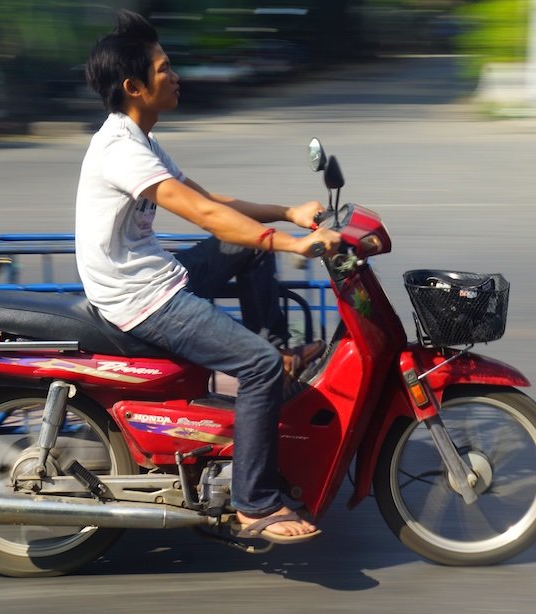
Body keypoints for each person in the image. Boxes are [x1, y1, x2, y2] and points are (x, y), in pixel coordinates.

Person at [76, 10, 340, 544]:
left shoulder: (139, 139)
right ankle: (255, 504)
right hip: (141, 299)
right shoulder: (121, 151)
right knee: (259, 367)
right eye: (164, 68)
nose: (175, 76)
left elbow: (209, 199)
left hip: (154, 275)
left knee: (245, 252)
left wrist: (286, 211)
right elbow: (201, 215)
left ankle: (277, 349)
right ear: (134, 86)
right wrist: (292, 243)